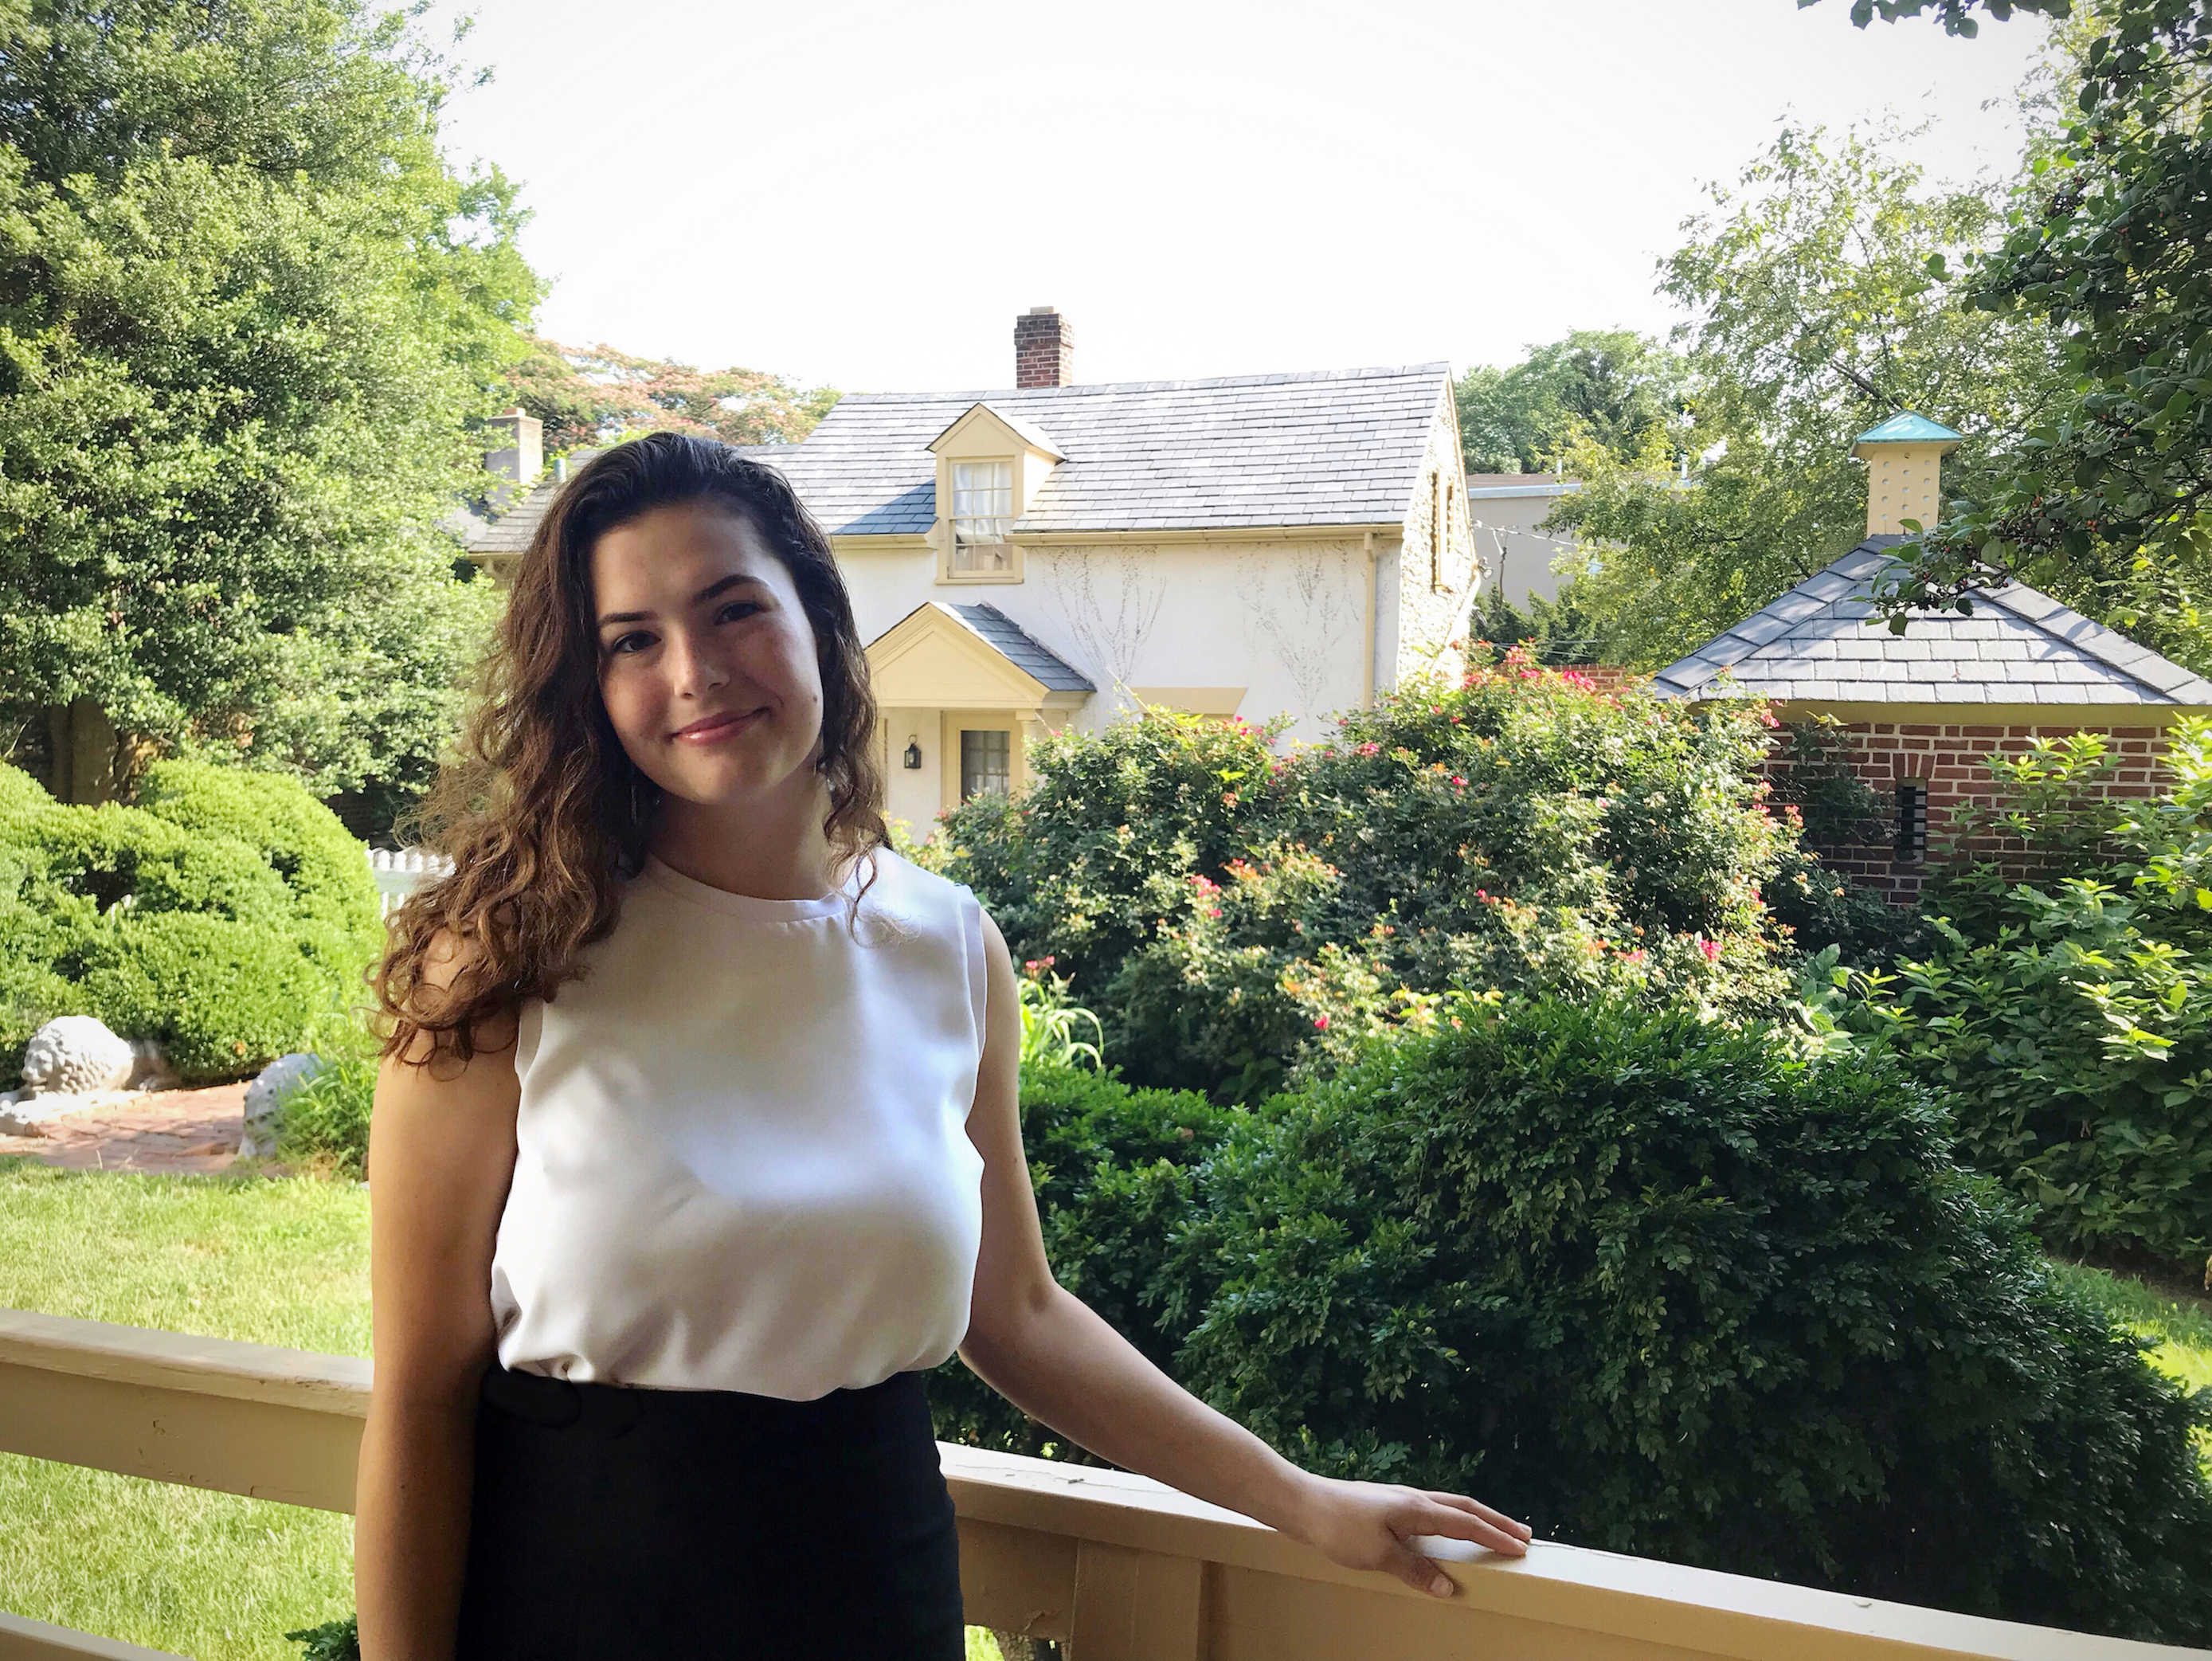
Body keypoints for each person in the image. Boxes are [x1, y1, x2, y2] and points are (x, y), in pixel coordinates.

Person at [350, 433, 1531, 1659]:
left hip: (873, 1591)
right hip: (577, 1605)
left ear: (816, 615)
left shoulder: (943, 943)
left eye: (732, 609)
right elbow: (423, 1399)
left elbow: (1016, 1313)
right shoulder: (503, 957)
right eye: (631, 639)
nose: (693, 671)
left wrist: (1303, 1499)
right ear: (586, 684)